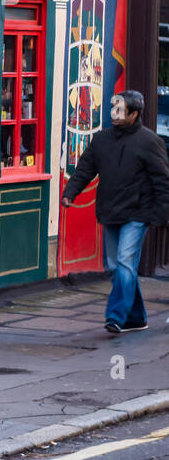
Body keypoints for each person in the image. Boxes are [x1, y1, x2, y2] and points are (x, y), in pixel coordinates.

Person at [61, 90, 169, 333]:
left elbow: (162, 181)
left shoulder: (150, 141)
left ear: (134, 114)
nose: (114, 113)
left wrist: (162, 215)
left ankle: (116, 317)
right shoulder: (101, 140)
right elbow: (85, 168)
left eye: (120, 110)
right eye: (113, 108)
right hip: (110, 210)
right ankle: (137, 318)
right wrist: (70, 193)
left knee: (124, 262)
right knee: (116, 267)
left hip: (137, 213)